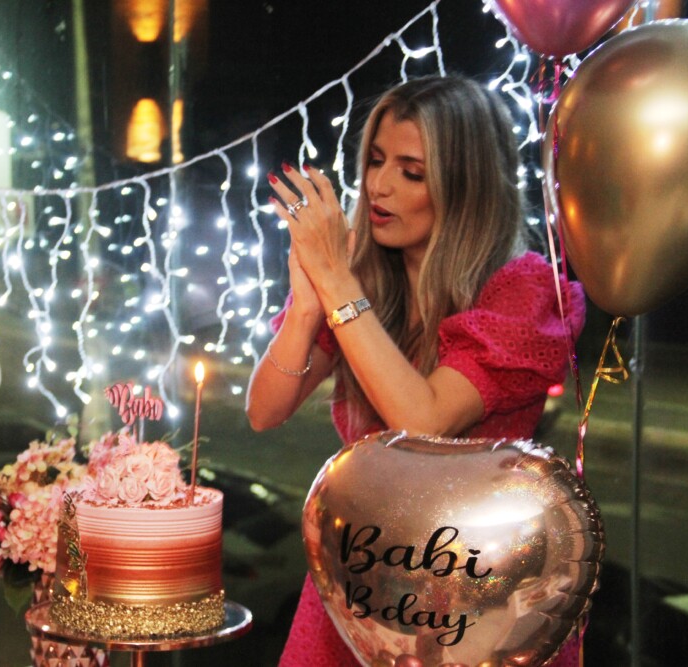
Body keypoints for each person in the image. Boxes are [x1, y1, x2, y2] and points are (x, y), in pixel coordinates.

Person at [247, 75, 586, 666]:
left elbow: (422, 422)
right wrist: (306, 307)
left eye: (411, 172)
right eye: (375, 161)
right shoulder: (361, 282)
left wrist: (336, 283)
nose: (378, 186)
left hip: (472, 603)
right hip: (356, 586)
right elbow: (263, 410)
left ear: (465, 185)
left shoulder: (523, 290)